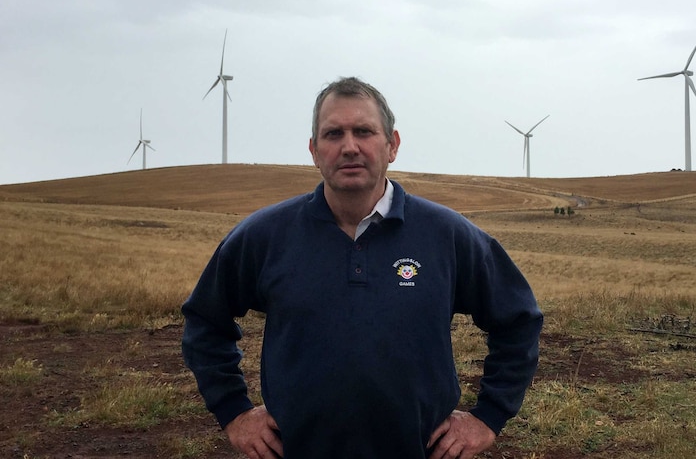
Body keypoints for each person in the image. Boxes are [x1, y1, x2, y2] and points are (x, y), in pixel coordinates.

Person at [182, 76, 543, 459]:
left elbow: (518, 320)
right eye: (333, 134)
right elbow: (205, 321)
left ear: (392, 145)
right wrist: (234, 411)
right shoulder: (265, 236)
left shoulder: (447, 235)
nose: (349, 146)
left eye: (364, 132)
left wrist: (488, 417)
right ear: (314, 150)